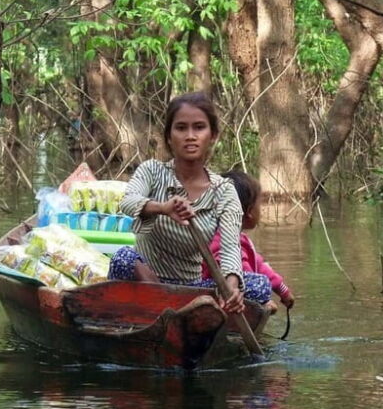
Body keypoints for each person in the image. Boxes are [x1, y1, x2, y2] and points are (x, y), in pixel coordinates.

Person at [106, 92, 247, 313]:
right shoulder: (152, 171)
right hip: (145, 280)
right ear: (169, 137)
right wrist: (162, 208)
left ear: (213, 136)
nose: (190, 136)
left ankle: (179, 309)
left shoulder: (224, 191)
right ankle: (166, 308)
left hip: (190, 289)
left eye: (199, 127)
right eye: (181, 128)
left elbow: (230, 248)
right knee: (123, 258)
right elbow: (128, 201)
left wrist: (231, 287)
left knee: (259, 286)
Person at [203, 170, 296, 312]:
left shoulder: (241, 238)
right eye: (260, 204)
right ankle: (256, 305)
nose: (261, 210)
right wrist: (264, 301)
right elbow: (238, 269)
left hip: (235, 289)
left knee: (261, 281)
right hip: (217, 290)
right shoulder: (220, 236)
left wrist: (283, 291)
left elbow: (260, 266)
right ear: (250, 211)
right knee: (261, 283)